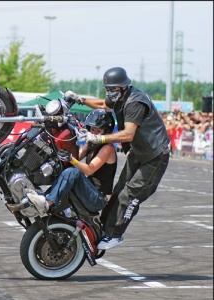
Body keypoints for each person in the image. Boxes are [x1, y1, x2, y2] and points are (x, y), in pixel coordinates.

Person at [64, 67, 170, 250]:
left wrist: (100, 138)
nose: (110, 93)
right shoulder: (120, 96)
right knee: (118, 190)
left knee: (131, 195)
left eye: (113, 89)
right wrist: (79, 99)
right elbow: (101, 104)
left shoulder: (134, 102)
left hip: (155, 156)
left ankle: (115, 234)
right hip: (138, 152)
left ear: (123, 87)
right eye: (108, 89)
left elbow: (128, 134)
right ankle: (103, 227)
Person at [26, 109, 118, 218]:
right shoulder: (91, 144)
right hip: (90, 190)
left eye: (98, 131)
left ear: (106, 132)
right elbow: (77, 156)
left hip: (99, 199)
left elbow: (89, 169)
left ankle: (46, 203)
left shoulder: (108, 148)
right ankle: (41, 199)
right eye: (92, 130)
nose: (94, 133)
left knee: (72, 172)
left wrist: (71, 159)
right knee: (62, 168)